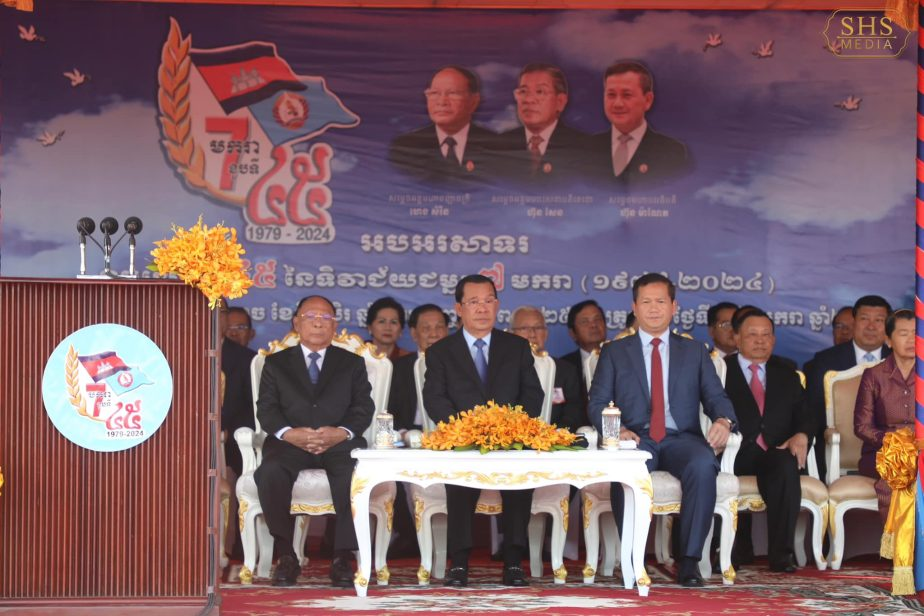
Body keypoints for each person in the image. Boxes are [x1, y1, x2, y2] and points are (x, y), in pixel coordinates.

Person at [588, 273, 736, 587]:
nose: (654, 308)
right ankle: (633, 558)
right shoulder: (615, 352)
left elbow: (716, 397)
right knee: (626, 469)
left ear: (673, 307)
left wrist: (724, 421)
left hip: (682, 438)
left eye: (660, 301)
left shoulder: (694, 351)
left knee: (703, 464)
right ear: (634, 307)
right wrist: (617, 430)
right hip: (636, 438)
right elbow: (597, 402)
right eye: (646, 302)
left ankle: (689, 561)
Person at [423, 274, 544, 587]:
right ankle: (459, 563)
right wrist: (465, 430)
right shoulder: (441, 352)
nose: (482, 308)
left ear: (497, 305)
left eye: (488, 301)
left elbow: (533, 394)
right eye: (474, 302)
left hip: (509, 439)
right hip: (464, 439)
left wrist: (511, 427)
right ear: (459, 308)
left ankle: (513, 562)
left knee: (520, 471)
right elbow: (435, 399)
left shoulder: (517, 347)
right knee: (459, 474)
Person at [254, 295, 375, 588]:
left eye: (326, 317)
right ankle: (286, 555)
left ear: (334, 325)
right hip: (290, 442)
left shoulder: (352, 363)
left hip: (338, 443)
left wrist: (341, 432)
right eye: (311, 316)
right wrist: (289, 433)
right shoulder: (276, 363)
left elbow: (363, 407)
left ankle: (342, 557)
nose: (318, 322)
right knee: (269, 472)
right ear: (297, 323)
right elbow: (266, 409)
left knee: (354, 474)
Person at [724, 308, 812, 573]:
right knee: (718, 471)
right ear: (736, 338)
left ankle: (781, 555)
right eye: (752, 335)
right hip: (733, 450)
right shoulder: (720, 370)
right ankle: (733, 552)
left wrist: (802, 434)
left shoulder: (786, 372)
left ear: (773, 340)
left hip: (775, 450)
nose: (760, 341)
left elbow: (807, 414)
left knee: (786, 466)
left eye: (766, 335)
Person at [386, 303, 451, 559]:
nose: (434, 333)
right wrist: (403, 433)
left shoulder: (459, 367)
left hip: (450, 437)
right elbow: (388, 411)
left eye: (439, 327)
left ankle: (449, 537)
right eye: (426, 328)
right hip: (408, 435)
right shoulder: (398, 368)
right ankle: (409, 534)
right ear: (414, 334)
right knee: (389, 468)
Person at [806, 295, 892, 481]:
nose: (871, 327)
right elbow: (814, 412)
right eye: (864, 319)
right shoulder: (825, 361)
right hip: (835, 449)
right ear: (854, 322)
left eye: (879, 320)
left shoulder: (902, 360)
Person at [389, 66, 499, 185]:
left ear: (474, 101)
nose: (442, 102)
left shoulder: (497, 147)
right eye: (434, 93)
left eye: (452, 93)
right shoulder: (405, 147)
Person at [854, 309, 915, 521]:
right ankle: (899, 540)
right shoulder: (874, 376)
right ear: (888, 340)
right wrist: (893, 441)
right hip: (882, 452)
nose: (912, 339)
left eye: (916, 334)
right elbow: (862, 426)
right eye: (903, 333)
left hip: (921, 450)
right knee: (900, 465)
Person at [590, 61, 691, 189]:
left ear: (648, 100)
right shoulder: (587, 148)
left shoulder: (671, 152)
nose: (617, 104)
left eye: (627, 95)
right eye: (611, 95)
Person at [496, 63, 591, 185]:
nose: (528, 99)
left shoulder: (584, 149)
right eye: (523, 91)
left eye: (540, 91)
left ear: (560, 101)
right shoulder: (499, 147)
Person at [510, 305, 584, 432]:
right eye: (524, 328)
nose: (532, 334)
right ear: (511, 334)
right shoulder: (504, 370)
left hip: (555, 438)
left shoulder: (566, 370)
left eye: (538, 328)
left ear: (546, 333)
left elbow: (574, 410)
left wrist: (556, 434)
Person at [559, 299, 607, 420]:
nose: (593, 325)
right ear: (572, 333)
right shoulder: (562, 366)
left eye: (597, 319)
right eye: (585, 322)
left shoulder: (621, 359)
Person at [366, 296, 412, 361]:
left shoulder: (408, 360)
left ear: (401, 330)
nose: (387, 328)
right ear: (370, 327)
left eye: (394, 322)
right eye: (381, 321)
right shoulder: (356, 355)